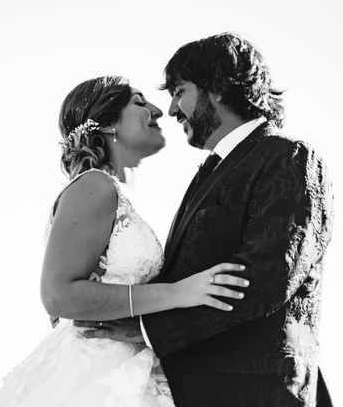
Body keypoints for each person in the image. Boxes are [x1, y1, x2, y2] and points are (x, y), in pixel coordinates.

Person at [77, 34, 334, 407]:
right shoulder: (209, 172)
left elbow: (268, 276)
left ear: (217, 87)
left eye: (180, 91)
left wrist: (148, 329)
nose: (172, 109)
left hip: (256, 394)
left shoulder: (289, 156)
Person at [0, 76, 250, 407]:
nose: (157, 111)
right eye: (139, 102)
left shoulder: (107, 192)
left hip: (121, 371)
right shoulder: (95, 186)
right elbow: (58, 294)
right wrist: (180, 293)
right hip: (98, 377)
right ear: (108, 123)